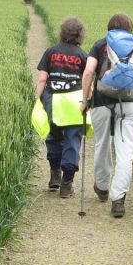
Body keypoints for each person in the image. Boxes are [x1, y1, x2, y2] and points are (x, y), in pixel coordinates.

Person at [81, 12, 133, 218]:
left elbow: (87, 73)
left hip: (101, 103)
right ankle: (118, 200)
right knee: (126, 151)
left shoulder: (100, 44)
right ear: (130, 28)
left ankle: (102, 188)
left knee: (102, 144)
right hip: (130, 105)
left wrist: (85, 100)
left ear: (110, 27)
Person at [36, 17, 88, 198]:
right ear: (80, 35)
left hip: (53, 99)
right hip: (74, 101)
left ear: (62, 32)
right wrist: (87, 100)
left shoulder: (51, 51)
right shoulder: (83, 55)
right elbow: (88, 80)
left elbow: (42, 78)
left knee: (54, 136)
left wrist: (37, 100)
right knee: (73, 138)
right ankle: (67, 184)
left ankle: (54, 175)